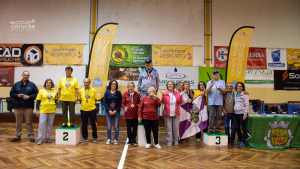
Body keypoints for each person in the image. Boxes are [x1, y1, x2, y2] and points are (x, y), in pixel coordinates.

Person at [10, 71, 39, 142]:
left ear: (29, 76)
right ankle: (17, 136)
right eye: (24, 75)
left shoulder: (32, 85)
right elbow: (11, 93)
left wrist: (29, 97)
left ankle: (31, 136)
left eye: (27, 75)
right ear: (22, 75)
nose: (25, 76)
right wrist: (17, 95)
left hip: (28, 107)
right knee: (18, 123)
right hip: (18, 107)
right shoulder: (16, 84)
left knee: (29, 122)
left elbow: (37, 94)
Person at [160, 81, 184, 146]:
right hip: (167, 114)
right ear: (167, 86)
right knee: (168, 128)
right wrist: (163, 95)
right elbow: (163, 102)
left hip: (176, 114)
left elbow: (180, 102)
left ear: (173, 86)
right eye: (168, 84)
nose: (170, 85)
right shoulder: (165, 93)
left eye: (171, 84)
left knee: (176, 128)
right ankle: (169, 141)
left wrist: (181, 96)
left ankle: (176, 141)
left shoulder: (177, 93)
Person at [36, 79, 57, 145]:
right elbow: (38, 101)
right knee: (42, 124)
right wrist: (37, 110)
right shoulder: (41, 91)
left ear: (51, 84)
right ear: (45, 84)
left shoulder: (54, 91)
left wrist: (58, 101)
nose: (48, 84)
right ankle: (40, 138)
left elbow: (56, 101)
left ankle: (48, 137)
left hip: (52, 110)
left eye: (49, 83)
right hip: (43, 110)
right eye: (47, 82)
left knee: (49, 124)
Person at [206, 70, 226, 135]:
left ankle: (217, 129)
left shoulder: (222, 82)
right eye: (214, 74)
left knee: (219, 117)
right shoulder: (209, 82)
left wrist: (220, 89)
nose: (216, 75)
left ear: (219, 75)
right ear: (212, 75)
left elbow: (224, 92)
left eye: (217, 74)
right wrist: (211, 86)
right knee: (211, 116)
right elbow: (207, 92)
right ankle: (211, 129)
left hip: (220, 102)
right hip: (211, 102)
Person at [78, 78, 98, 143]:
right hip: (83, 110)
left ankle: (95, 137)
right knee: (83, 124)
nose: (86, 83)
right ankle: (84, 137)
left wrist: (90, 105)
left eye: (87, 82)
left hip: (92, 109)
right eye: (84, 82)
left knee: (93, 124)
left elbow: (95, 99)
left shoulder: (93, 90)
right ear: (83, 83)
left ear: (89, 83)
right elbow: (80, 100)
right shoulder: (81, 91)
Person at [103, 80, 122, 145]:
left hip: (116, 112)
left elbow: (120, 103)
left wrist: (116, 110)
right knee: (109, 126)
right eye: (112, 84)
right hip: (108, 112)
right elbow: (104, 102)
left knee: (116, 126)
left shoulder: (119, 93)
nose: (114, 85)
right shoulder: (106, 93)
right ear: (110, 85)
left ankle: (115, 139)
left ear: (116, 85)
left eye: (115, 84)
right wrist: (109, 110)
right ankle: (109, 139)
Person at [233, 82, 249, 148]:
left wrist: (245, 114)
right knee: (237, 127)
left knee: (243, 128)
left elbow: (247, 105)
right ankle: (239, 140)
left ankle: (243, 141)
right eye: (238, 86)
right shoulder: (234, 94)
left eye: (240, 86)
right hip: (236, 113)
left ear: (242, 87)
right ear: (236, 87)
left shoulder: (245, 94)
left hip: (242, 113)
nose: (239, 87)